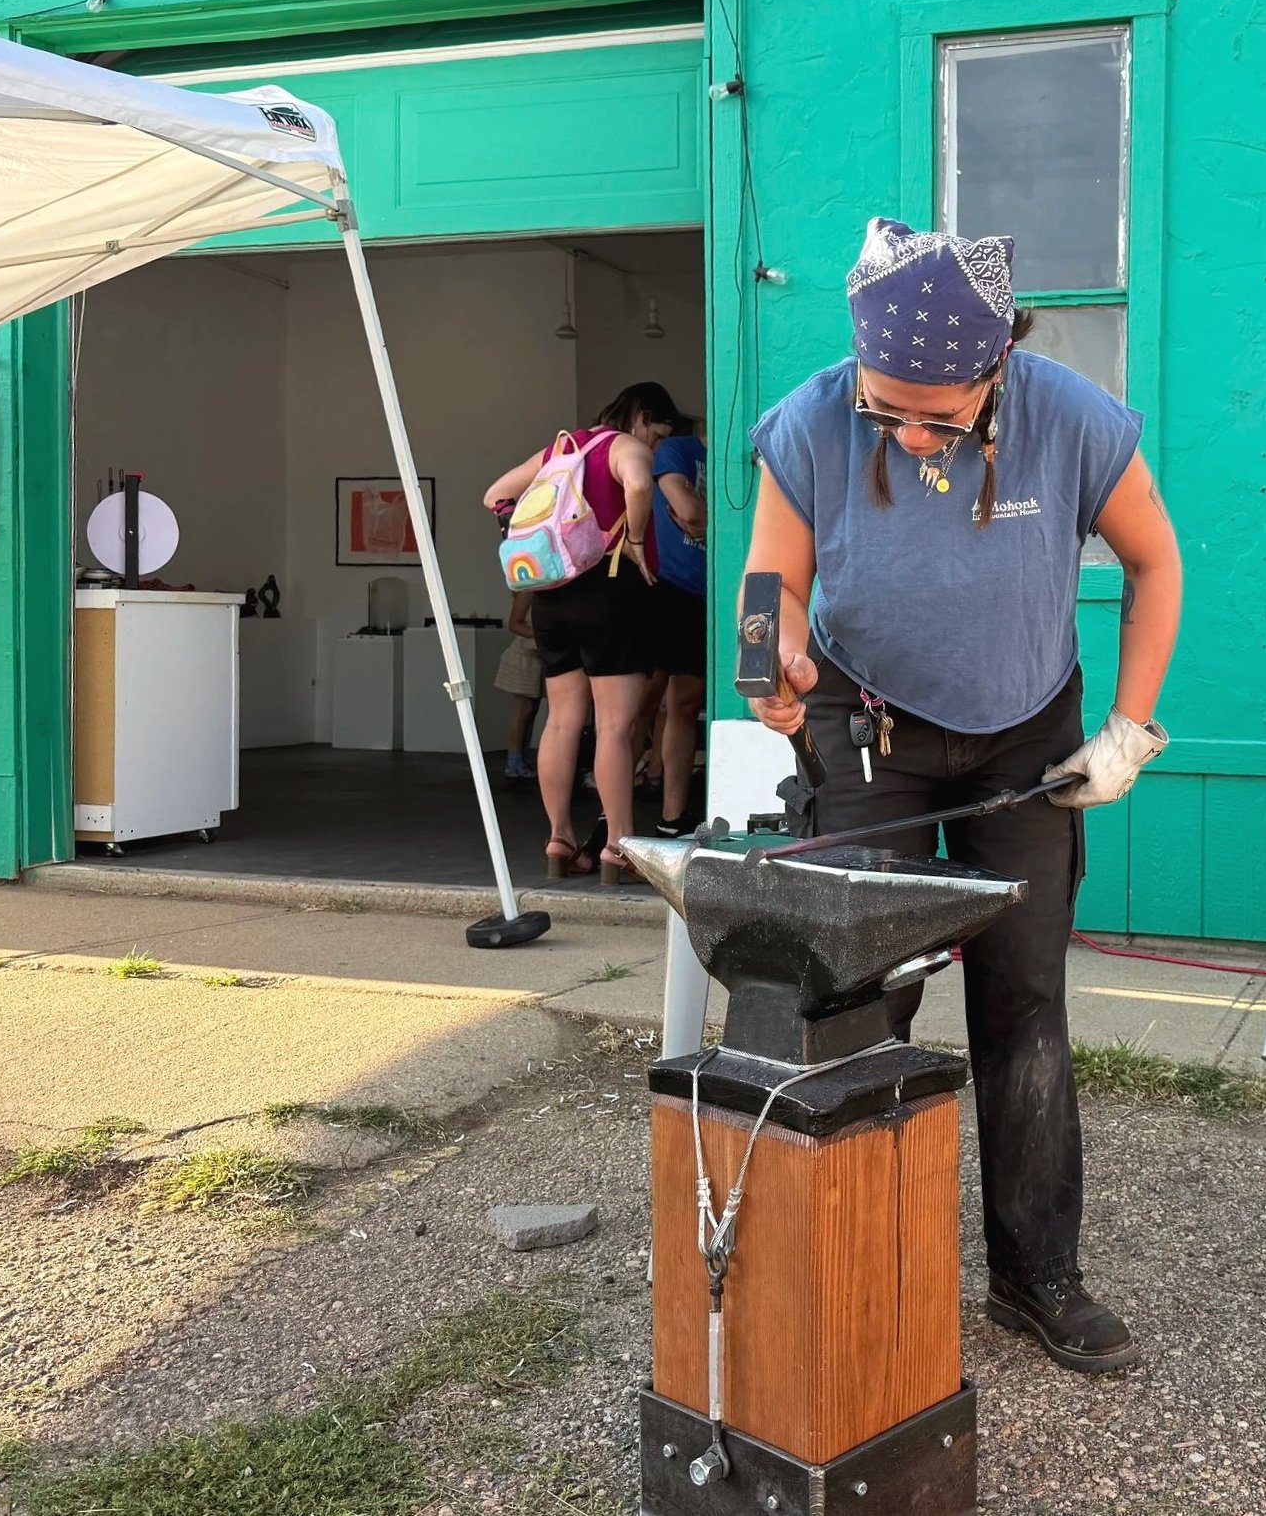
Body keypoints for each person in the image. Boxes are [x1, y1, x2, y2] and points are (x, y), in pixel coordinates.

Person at [743, 218, 1183, 1374]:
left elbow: (1156, 563)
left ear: (999, 366)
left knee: (1024, 1001)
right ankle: (836, 1264)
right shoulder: (808, 419)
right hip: (865, 724)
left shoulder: (1072, 418)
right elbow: (769, 585)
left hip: (1025, 734)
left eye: (941, 415)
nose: (913, 434)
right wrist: (768, 665)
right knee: (854, 997)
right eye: (889, 410)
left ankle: (1038, 1279)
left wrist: (1128, 728)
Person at [484, 382, 680, 884]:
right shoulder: (625, 447)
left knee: (561, 722)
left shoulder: (561, 448)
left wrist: (526, 527)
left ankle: (560, 839)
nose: (656, 446)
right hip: (611, 593)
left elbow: (496, 495)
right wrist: (634, 539)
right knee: (615, 727)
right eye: (657, 433)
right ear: (640, 416)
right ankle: (618, 848)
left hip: (552, 597)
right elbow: (638, 485)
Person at [647, 417, 709, 834]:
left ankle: (672, 818)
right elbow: (691, 513)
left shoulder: (732, 457)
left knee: (684, 704)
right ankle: (611, 824)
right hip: (666, 589)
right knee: (640, 704)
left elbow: (696, 518)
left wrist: (699, 518)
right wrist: (698, 517)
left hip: (708, 593)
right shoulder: (680, 450)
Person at [493, 591, 543, 781]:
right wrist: (542, 634)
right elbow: (514, 624)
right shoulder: (527, 591)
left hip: (537, 658)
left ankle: (522, 757)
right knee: (522, 712)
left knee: (531, 712)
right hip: (523, 657)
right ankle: (513, 761)